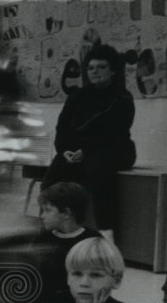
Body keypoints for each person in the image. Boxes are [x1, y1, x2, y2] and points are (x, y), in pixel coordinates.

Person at [41, 44, 135, 243]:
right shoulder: (78, 96)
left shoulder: (123, 97)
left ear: (113, 70)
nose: (95, 72)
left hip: (113, 150)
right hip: (76, 153)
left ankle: (107, 236)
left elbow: (114, 134)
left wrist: (86, 151)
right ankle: (53, 229)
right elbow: (62, 128)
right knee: (52, 178)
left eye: (101, 67)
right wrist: (64, 151)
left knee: (98, 170)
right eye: (91, 68)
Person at [32, 182, 101, 303]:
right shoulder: (42, 238)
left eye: (48, 210)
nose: (42, 216)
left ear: (66, 213)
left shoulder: (92, 242)